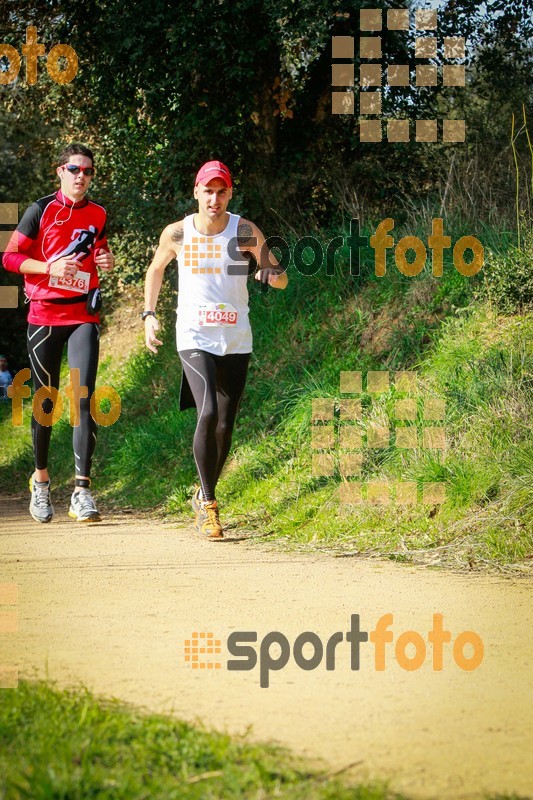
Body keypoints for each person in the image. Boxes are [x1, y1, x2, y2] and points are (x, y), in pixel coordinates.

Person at [143, 160, 288, 539]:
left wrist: (268, 273)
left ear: (230, 194)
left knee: (226, 424)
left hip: (236, 337)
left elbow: (281, 278)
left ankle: (202, 491)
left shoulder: (243, 231)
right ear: (196, 193)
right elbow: (156, 269)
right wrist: (149, 314)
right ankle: (209, 505)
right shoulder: (178, 233)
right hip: (193, 335)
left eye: (221, 191)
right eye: (208, 191)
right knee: (206, 412)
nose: (214, 198)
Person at [2, 144, 115, 523]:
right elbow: (9, 257)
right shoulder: (40, 210)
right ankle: (42, 480)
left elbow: (98, 250)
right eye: (74, 169)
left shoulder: (98, 213)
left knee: (82, 397)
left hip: (84, 313)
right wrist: (49, 267)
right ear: (60, 172)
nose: (81, 176)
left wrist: (106, 258)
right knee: (45, 403)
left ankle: (82, 490)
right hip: (45, 315)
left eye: (88, 171)